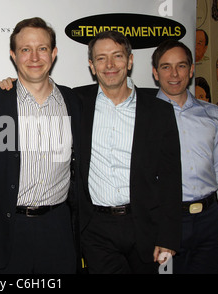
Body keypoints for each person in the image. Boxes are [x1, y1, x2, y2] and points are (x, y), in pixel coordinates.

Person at [0, 17, 81, 274]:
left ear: (53, 53)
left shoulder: (74, 102)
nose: (34, 57)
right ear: (13, 55)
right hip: (6, 233)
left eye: (42, 48)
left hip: (58, 231)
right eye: (25, 49)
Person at [73, 31, 182, 274]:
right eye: (101, 58)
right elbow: (37, 88)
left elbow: (171, 178)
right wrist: (8, 84)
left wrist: (168, 237)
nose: (109, 65)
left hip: (146, 225)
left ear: (130, 61)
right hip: (96, 229)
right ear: (92, 66)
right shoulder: (76, 101)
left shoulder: (159, 111)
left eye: (117, 56)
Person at [151, 39, 218, 274]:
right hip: (166, 223)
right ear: (155, 72)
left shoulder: (212, 114)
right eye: (165, 66)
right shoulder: (144, 117)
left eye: (181, 66)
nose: (174, 74)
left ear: (191, 70)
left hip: (208, 221)